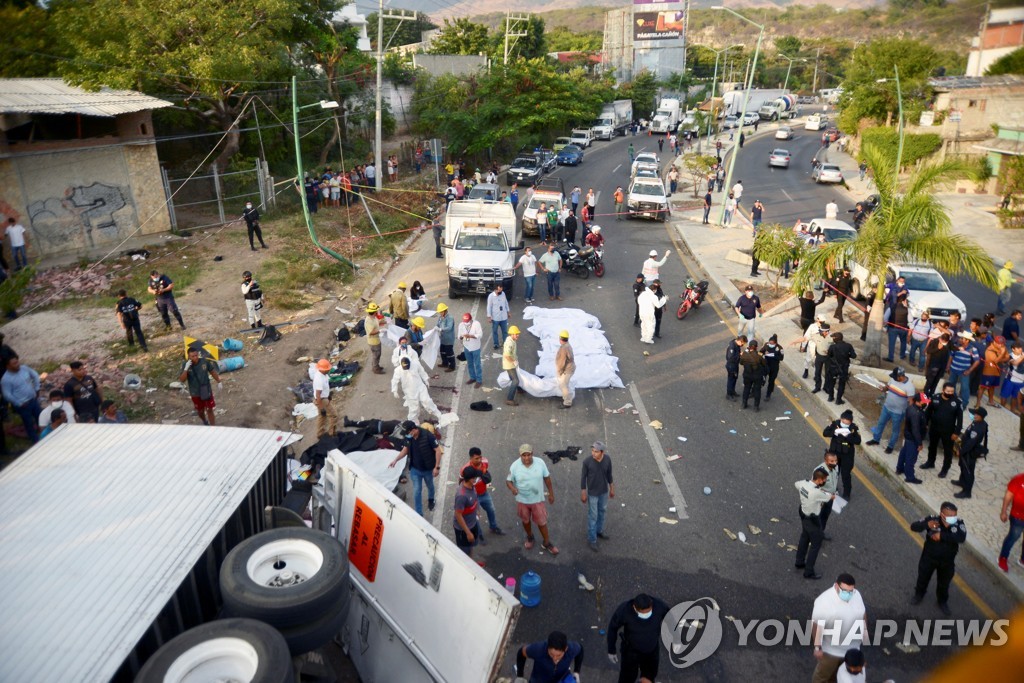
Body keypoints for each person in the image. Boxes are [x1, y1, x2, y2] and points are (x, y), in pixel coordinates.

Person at [910, 502, 967, 615]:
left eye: (954, 515)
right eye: (950, 516)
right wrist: (927, 525)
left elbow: (961, 537)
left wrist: (941, 536)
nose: (953, 518)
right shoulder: (933, 520)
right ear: (942, 514)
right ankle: (919, 595)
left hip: (947, 562)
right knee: (923, 577)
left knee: (944, 584)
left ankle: (942, 601)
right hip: (929, 558)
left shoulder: (958, 524)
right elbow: (913, 526)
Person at [811, 574, 868, 681]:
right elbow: (816, 626)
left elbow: (863, 613)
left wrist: (864, 633)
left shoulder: (856, 595)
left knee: (839, 675)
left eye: (851, 591)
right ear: (837, 586)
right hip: (831, 651)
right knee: (822, 675)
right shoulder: (824, 602)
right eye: (845, 591)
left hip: (852, 650)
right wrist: (817, 647)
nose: (849, 594)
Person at [606, 593, 670, 683]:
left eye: (648, 612)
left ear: (651, 605)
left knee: (649, 676)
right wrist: (611, 649)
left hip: (651, 651)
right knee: (627, 677)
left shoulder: (659, 606)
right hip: (631, 652)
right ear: (635, 608)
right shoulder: (624, 610)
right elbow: (613, 628)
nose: (646, 615)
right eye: (643, 613)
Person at [507, 444, 558, 555]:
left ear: (532, 454)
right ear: (520, 455)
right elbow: (508, 481)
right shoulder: (515, 466)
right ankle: (530, 537)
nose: (526, 458)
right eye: (523, 455)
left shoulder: (540, 463)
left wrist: (551, 493)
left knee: (542, 522)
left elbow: (547, 478)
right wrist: (512, 489)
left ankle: (546, 542)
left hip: (537, 500)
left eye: (528, 455)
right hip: (522, 500)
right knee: (525, 520)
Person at [389, 421, 442, 516]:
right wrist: (395, 460)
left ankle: (431, 499)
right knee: (417, 491)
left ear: (413, 430)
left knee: (430, 486)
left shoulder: (428, 436)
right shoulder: (409, 437)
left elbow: (437, 450)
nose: (407, 435)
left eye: (408, 433)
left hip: (428, 469)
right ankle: (419, 514)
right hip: (415, 469)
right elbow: (405, 449)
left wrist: (436, 467)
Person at [795, 468, 835, 580]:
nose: (825, 481)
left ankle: (799, 561)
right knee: (815, 545)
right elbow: (829, 497)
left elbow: (796, 484)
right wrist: (831, 495)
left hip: (804, 516)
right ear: (820, 480)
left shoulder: (803, 483)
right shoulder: (817, 492)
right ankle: (809, 571)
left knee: (804, 538)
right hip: (813, 521)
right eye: (825, 480)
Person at [866, 366, 915, 454]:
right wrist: (882, 389)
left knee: (895, 430)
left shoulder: (909, 387)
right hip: (886, 407)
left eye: (895, 376)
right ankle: (876, 439)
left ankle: (890, 446)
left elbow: (911, 402)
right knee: (880, 424)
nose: (893, 378)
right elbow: (887, 387)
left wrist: (910, 414)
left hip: (898, 412)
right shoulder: (893, 379)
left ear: (900, 376)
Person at [921, 382, 964, 477]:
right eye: (948, 391)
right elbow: (928, 412)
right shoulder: (935, 398)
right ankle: (930, 462)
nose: (950, 393)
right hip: (934, 428)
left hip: (948, 431)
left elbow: (960, 419)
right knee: (932, 446)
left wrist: (956, 433)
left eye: (952, 391)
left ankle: (945, 469)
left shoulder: (957, 401)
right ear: (943, 390)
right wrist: (925, 423)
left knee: (948, 451)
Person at [462, 448, 504, 540]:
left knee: (491, 510)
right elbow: (461, 482)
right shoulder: (465, 469)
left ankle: (493, 527)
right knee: (475, 517)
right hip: (473, 497)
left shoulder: (485, 462)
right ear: (471, 458)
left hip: (484, 493)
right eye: (476, 458)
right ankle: (479, 534)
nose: (479, 460)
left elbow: (486, 475)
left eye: (480, 457)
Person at [581, 441, 614, 551]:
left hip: (604, 492)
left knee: (602, 512)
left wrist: (612, 488)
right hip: (592, 494)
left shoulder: (607, 459)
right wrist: (583, 492)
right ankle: (592, 539)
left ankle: (599, 531)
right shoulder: (587, 462)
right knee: (593, 515)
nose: (593, 453)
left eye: (596, 451)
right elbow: (583, 478)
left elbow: (609, 474)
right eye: (592, 451)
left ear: (602, 452)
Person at [514, 631, 583, 683]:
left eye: (559, 655)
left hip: (561, 679)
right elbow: (521, 652)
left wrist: (576, 672)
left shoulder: (572, 649)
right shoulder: (538, 649)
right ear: (547, 648)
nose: (555, 659)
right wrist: (520, 676)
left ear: (565, 649)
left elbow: (580, 650)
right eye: (551, 654)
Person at [2, 355, 41, 443]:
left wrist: (37, 388)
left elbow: (35, 375)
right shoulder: (6, 379)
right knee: (28, 423)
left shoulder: (24, 368)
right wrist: (19, 403)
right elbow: (7, 394)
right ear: (8, 366)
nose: (18, 364)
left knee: (41, 418)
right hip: (23, 405)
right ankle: (36, 441)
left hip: (33, 400)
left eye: (17, 362)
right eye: (14, 363)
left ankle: (45, 434)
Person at [824, 409, 861, 500]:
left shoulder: (853, 429)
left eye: (846, 423)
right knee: (833, 473)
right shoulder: (835, 424)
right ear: (840, 419)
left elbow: (858, 441)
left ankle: (846, 493)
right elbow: (825, 433)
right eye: (843, 422)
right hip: (835, 453)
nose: (844, 424)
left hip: (847, 455)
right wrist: (834, 432)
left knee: (846, 475)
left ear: (850, 422)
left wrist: (848, 436)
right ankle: (832, 489)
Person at [178, 348, 222, 426]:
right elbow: (182, 379)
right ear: (188, 356)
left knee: (209, 409)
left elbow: (212, 371)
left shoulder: (204, 361)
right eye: (192, 356)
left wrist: (219, 381)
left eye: (196, 355)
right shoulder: (186, 364)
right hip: (195, 393)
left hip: (206, 389)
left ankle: (213, 427)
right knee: (200, 411)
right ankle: (204, 421)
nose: (195, 357)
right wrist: (186, 369)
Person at [391, 357, 442, 423]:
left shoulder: (415, 364)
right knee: (414, 407)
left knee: (427, 401)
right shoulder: (398, 370)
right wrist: (394, 390)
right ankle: (413, 421)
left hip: (420, 387)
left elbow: (422, 372)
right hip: (409, 391)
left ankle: (439, 415)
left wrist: (426, 379)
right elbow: (395, 380)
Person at [953, 407, 988, 499]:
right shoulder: (976, 422)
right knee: (963, 467)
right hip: (965, 448)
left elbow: (970, 443)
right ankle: (961, 481)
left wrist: (961, 451)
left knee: (968, 471)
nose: (974, 415)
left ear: (981, 416)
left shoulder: (978, 428)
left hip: (969, 452)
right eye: (974, 414)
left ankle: (967, 492)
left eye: (976, 414)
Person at [896, 393, 928, 484]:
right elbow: (915, 430)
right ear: (918, 402)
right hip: (913, 439)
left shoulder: (911, 408)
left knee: (904, 452)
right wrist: (919, 443)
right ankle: (910, 477)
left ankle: (899, 468)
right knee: (911, 458)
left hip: (908, 436)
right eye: (923, 402)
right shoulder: (916, 413)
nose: (925, 403)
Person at [453, 466, 483, 561]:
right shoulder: (461, 496)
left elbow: (475, 497)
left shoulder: (472, 486)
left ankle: (472, 561)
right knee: (464, 553)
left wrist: (477, 510)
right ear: (470, 479)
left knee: (471, 546)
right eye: (475, 477)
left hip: (473, 522)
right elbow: (458, 515)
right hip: (463, 530)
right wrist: (468, 533)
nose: (477, 479)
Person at [998, 471, 1024, 572]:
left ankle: (1023, 560)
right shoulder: (1018, 479)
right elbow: (1008, 496)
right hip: (1018, 517)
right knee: (1013, 537)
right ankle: (1003, 558)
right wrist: (1003, 512)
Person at [977, 335, 1009, 408]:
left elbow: (1007, 358)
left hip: (997, 372)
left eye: (1002, 344)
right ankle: (978, 403)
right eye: (999, 343)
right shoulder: (989, 350)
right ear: (994, 342)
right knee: (983, 387)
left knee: (992, 387)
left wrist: (1001, 357)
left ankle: (991, 401)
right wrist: (1002, 353)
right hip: (988, 372)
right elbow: (995, 361)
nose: (1001, 345)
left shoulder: (1003, 347)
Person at [824, 331, 856, 405]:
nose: (832, 339)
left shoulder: (832, 347)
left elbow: (829, 356)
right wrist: (847, 355)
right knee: (842, 384)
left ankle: (830, 397)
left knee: (831, 383)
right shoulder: (848, 346)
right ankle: (838, 400)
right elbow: (854, 356)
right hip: (844, 368)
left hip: (833, 368)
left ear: (836, 338)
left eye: (833, 338)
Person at [816, 452, 841, 539]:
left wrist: (835, 492)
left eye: (835, 461)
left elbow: (835, 481)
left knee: (825, 516)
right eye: (832, 461)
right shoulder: (820, 471)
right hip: (821, 499)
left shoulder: (836, 468)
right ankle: (814, 537)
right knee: (817, 518)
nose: (834, 463)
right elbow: (815, 487)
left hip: (831, 498)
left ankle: (821, 533)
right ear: (826, 461)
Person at [312, 358, 337, 438]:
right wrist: (321, 407)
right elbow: (318, 394)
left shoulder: (322, 374)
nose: (328, 370)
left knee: (322, 416)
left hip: (323, 398)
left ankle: (320, 434)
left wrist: (328, 394)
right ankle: (331, 433)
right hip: (321, 400)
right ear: (322, 369)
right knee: (333, 415)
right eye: (327, 369)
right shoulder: (319, 379)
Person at [459, 312, 483, 388]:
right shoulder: (461, 325)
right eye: (464, 322)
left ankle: (479, 380)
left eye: (467, 322)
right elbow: (459, 336)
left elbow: (480, 335)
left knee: (477, 364)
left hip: (475, 347)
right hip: (467, 347)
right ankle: (473, 377)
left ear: (471, 320)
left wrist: (471, 336)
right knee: (470, 363)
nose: (466, 323)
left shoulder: (476, 324)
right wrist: (462, 337)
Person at [884, 290, 910, 361]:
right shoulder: (907, 309)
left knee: (892, 343)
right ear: (904, 301)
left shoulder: (891, 307)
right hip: (903, 328)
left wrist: (887, 325)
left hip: (893, 328)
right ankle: (902, 355)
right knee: (903, 342)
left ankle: (890, 357)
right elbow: (910, 320)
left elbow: (885, 318)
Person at [555, 330, 576, 409]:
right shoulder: (567, 345)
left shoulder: (564, 348)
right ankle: (567, 396)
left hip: (568, 369)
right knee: (564, 384)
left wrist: (560, 371)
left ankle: (567, 402)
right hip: (570, 368)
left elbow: (562, 362)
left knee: (563, 385)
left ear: (560, 338)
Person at [810, 322, 833, 392]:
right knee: (817, 373)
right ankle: (817, 387)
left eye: (821, 331)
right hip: (819, 357)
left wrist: (830, 352)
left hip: (828, 358)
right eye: (820, 331)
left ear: (827, 332)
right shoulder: (816, 335)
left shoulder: (832, 337)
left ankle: (826, 387)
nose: (820, 332)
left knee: (828, 374)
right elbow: (806, 338)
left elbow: (836, 348)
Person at [761, 334, 784, 401]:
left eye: (772, 343)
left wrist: (773, 355)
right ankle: (754, 391)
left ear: (775, 343)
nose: (770, 344)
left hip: (774, 367)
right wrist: (764, 352)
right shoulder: (766, 345)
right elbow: (760, 352)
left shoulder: (780, 348)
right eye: (769, 343)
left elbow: (781, 358)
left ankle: (768, 395)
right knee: (761, 379)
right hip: (766, 365)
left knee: (771, 381)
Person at [486, 283, 510, 349]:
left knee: (505, 331)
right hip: (495, 318)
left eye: (501, 290)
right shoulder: (491, 296)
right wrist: (489, 316)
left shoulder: (503, 294)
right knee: (495, 331)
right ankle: (496, 344)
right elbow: (489, 307)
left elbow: (506, 303)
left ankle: (505, 343)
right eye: (499, 290)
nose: (500, 291)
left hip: (503, 317)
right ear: (495, 290)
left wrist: (508, 312)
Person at [364, 302, 385, 375]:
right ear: (374, 311)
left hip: (376, 340)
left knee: (378, 354)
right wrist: (380, 331)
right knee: (376, 355)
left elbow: (376, 323)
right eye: (376, 310)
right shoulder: (369, 321)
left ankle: (376, 366)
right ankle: (375, 369)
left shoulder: (373, 317)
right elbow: (371, 332)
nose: (377, 311)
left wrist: (382, 322)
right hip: (373, 341)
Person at [503, 325, 522, 406]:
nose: (518, 335)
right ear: (512, 334)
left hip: (510, 363)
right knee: (515, 380)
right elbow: (507, 355)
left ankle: (519, 389)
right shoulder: (510, 343)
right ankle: (509, 399)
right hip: (509, 365)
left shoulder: (511, 339)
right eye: (516, 334)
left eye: (518, 334)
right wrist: (514, 362)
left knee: (515, 377)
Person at [435, 303, 455, 372]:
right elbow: (438, 324)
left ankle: (452, 366)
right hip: (442, 338)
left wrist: (441, 329)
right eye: (439, 312)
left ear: (445, 310)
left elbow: (449, 328)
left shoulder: (450, 318)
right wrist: (436, 328)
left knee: (449, 353)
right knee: (442, 351)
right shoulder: (440, 317)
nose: (440, 313)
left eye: (441, 312)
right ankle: (445, 363)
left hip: (449, 339)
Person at [725, 335, 746, 400]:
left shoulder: (737, 345)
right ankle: (729, 394)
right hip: (731, 365)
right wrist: (739, 355)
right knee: (731, 380)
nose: (742, 345)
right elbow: (730, 358)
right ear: (740, 341)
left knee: (734, 378)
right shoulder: (732, 346)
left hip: (735, 365)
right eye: (742, 343)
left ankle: (732, 391)